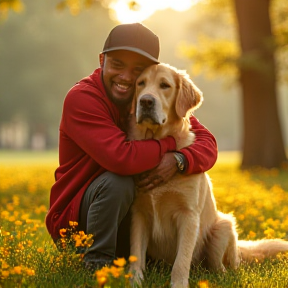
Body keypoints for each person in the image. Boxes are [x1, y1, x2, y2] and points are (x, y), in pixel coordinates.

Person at [45, 23, 218, 270]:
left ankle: (135, 260)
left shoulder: (147, 98)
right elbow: (122, 159)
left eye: (137, 70)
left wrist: (180, 160)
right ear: (101, 60)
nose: (126, 77)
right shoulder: (82, 99)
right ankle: (96, 264)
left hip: (122, 219)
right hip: (76, 222)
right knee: (119, 181)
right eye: (117, 65)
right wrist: (171, 144)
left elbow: (206, 141)